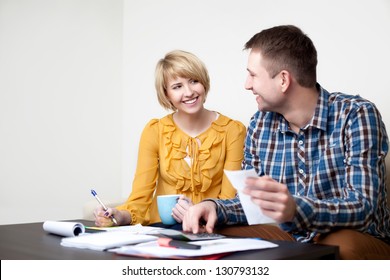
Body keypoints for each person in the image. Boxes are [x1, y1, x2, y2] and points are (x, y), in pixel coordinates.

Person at [182, 25, 390, 259]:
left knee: (337, 244)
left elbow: (362, 206)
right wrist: (215, 207)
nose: (247, 84)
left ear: (283, 79)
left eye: (252, 75)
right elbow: (252, 203)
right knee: (215, 233)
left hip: (355, 237)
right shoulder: (260, 124)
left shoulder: (356, 115)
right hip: (289, 238)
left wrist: (295, 209)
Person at [94, 50, 246, 229]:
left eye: (194, 81)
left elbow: (228, 200)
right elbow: (140, 199)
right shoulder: (155, 131)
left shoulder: (233, 131)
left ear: (204, 82)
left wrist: (199, 215)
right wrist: (119, 215)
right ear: (166, 94)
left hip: (214, 229)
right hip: (162, 231)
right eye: (177, 87)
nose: (189, 92)